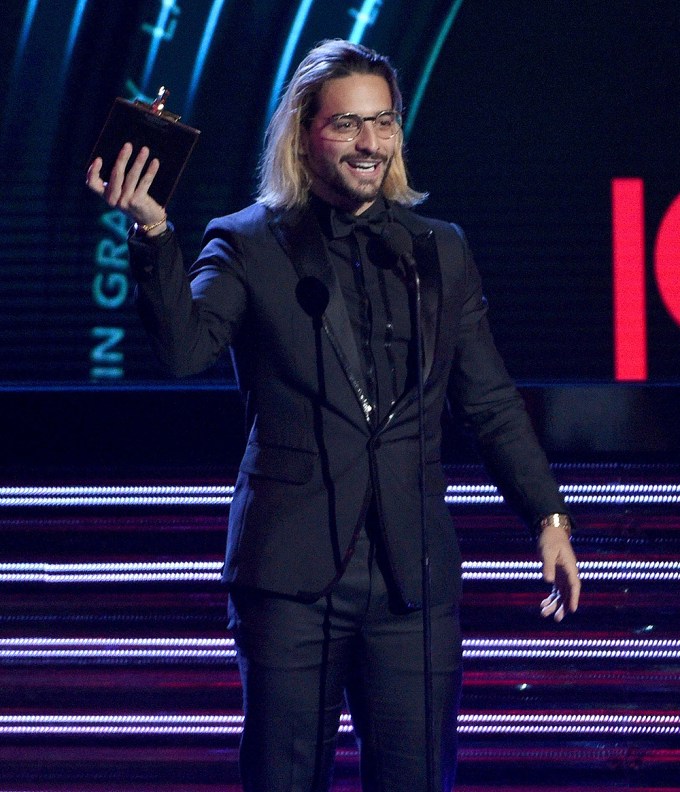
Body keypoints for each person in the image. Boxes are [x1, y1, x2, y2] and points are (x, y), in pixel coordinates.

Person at [87, 39, 580, 792]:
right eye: (347, 125)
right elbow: (186, 349)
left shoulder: (439, 250)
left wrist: (547, 517)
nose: (369, 143)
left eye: (382, 123)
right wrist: (154, 231)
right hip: (291, 576)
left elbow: (488, 400)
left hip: (410, 576)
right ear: (303, 132)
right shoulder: (247, 242)